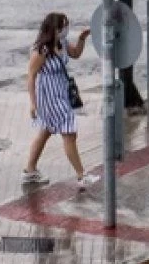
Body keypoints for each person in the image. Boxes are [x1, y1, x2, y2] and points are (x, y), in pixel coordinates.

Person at [21, 12, 101, 190]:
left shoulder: (62, 44)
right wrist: (33, 103)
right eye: (63, 26)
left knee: (46, 131)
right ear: (54, 29)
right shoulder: (41, 50)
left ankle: (29, 170)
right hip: (49, 98)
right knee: (69, 133)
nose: (66, 30)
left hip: (61, 94)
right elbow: (31, 76)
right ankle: (81, 175)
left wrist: (82, 38)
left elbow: (76, 53)